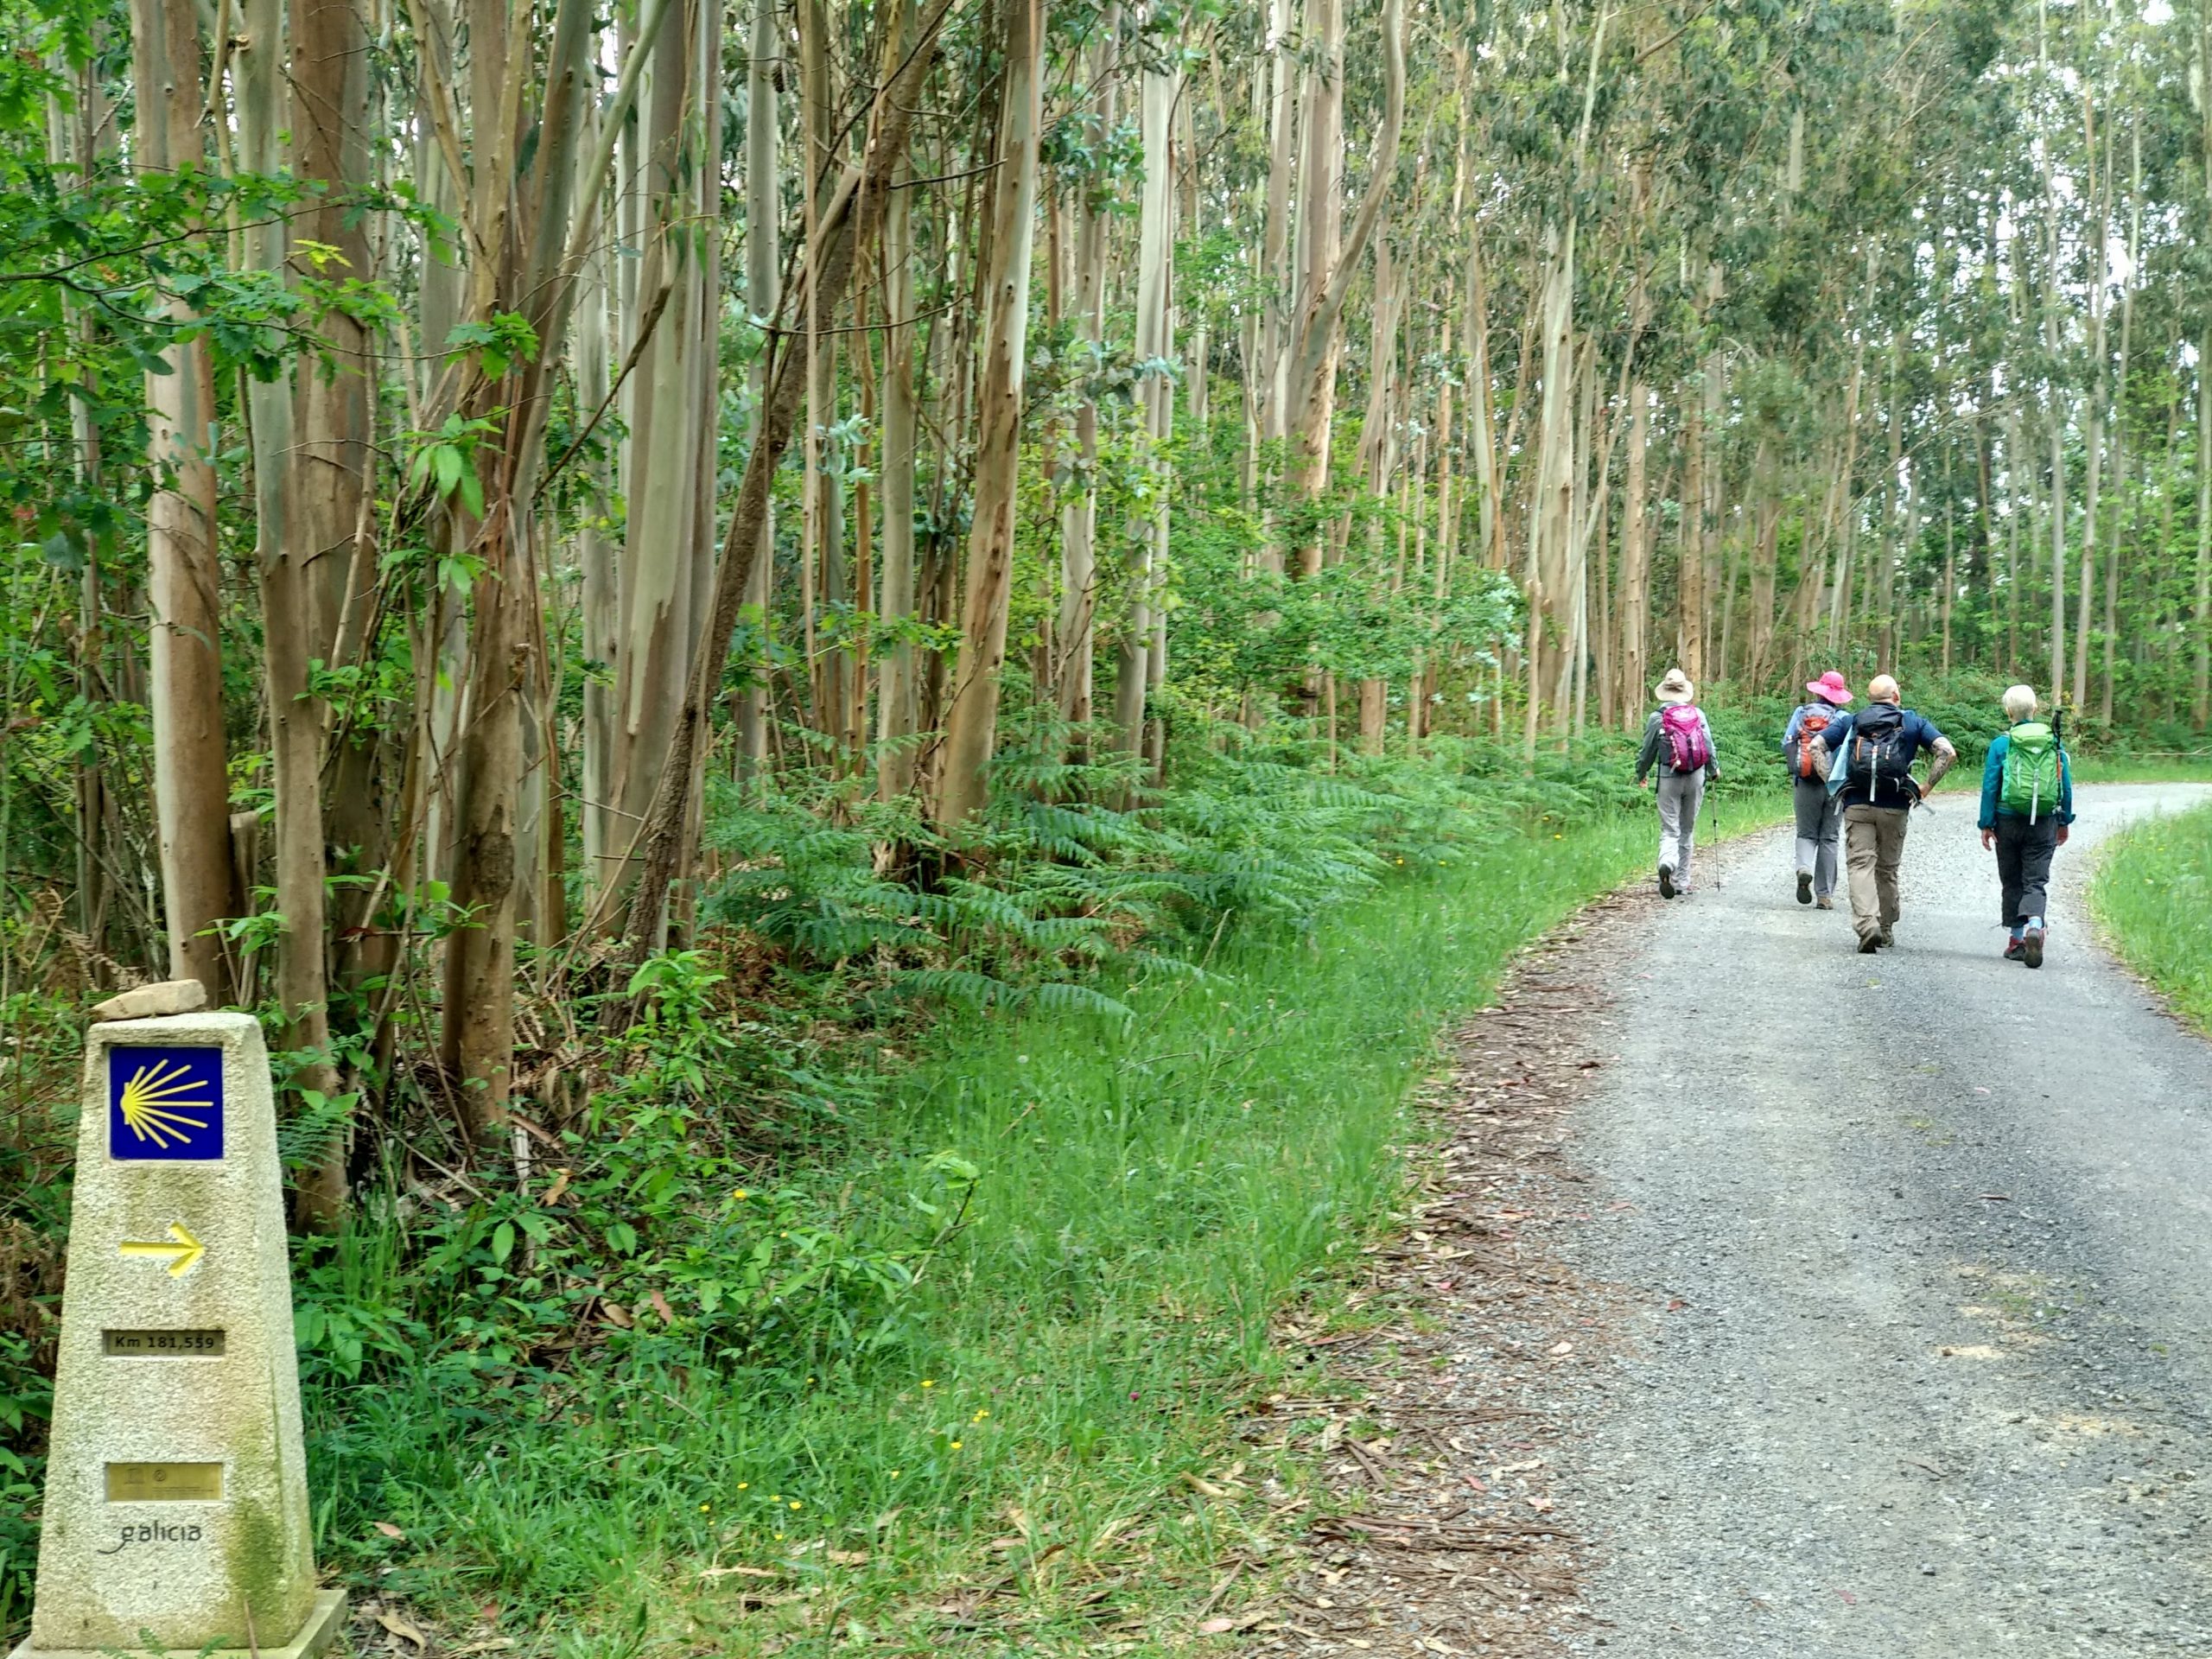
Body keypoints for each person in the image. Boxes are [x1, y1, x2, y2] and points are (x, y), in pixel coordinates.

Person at [1818, 673, 1957, 953]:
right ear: (1896, 696)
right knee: (1887, 868)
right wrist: (1926, 787)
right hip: (1895, 805)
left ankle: (1866, 924)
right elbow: (1947, 752)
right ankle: (1885, 927)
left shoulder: (1852, 720)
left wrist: (1834, 785)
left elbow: (1815, 746)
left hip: (1856, 803)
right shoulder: (1912, 721)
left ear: (1870, 697)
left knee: (1860, 865)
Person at [1978, 684, 2073, 969]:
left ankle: (2017, 940)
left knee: (2012, 879)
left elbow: (1990, 785)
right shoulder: (2052, 742)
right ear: (2035, 710)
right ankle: (2035, 924)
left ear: (2009, 712)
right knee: (2036, 879)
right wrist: (2065, 820)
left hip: (2007, 820)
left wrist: (1986, 823)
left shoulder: (2001, 744)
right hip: (2044, 820)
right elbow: (2063, 784)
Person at [1634, 668, 1720, 899]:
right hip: (1696, 776)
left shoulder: (1657, 717)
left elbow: (1647, 751)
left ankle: (1667, 864)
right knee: (1687, 829)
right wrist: (1714, 769)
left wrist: (1640, 773)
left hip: (1668, 777)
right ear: (1684, 690)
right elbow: (1709, 745)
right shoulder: (1697, 714)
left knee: (1670, 829)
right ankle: (1682, 881)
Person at [1782, 671, 1853, 910]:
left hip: (1805, 781)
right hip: (1834, 784)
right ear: (1839, 695)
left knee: (1805, 833)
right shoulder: (1844, 717)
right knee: (1830, 837)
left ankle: (1803, 868)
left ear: (1818, 691)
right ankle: (1824, 895)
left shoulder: (1801, 713)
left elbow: (1786, 742)